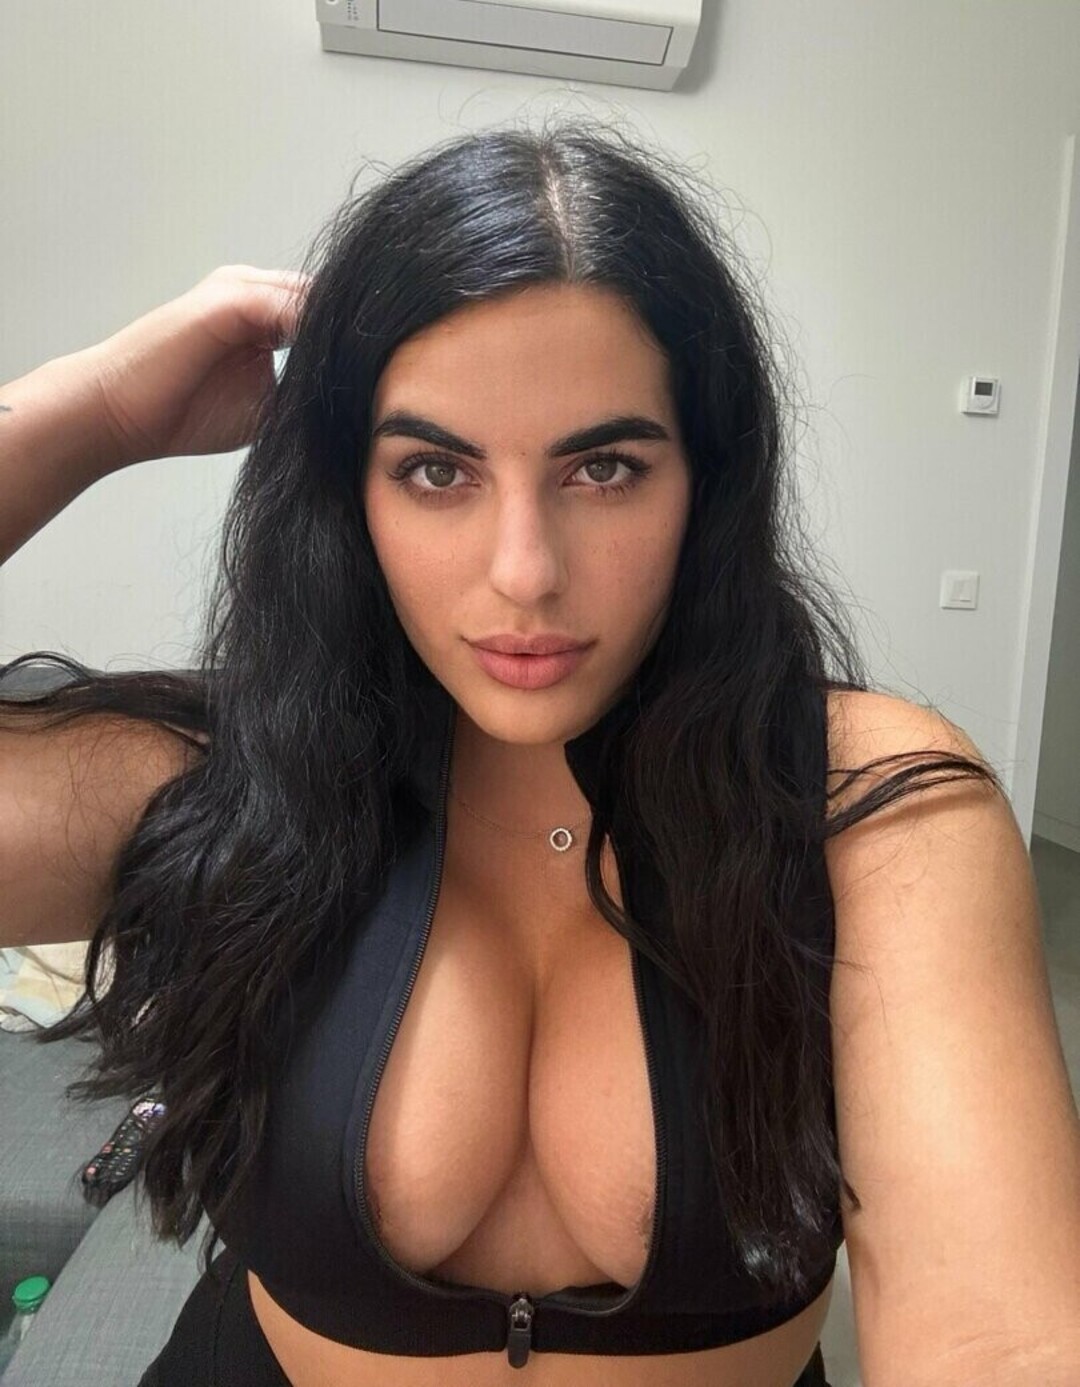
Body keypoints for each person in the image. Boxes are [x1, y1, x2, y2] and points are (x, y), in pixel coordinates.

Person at [2, 120, 1066, 1387]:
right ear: (349, 493)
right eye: (435, 470)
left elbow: (1002, 1338)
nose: (524, 572)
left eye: (604, 467)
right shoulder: (218, 778)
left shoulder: (867, 808)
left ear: (706, 481)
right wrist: (98, 411)